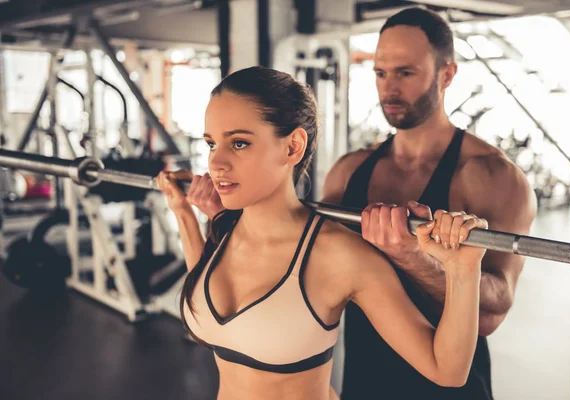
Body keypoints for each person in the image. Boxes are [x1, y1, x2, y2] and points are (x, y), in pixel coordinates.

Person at [156, 65, 489, 400]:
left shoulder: (339, 255)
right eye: (212, 144)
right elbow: (201, 291)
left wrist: (463, 270)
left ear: (292, 147)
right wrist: (183, 213)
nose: (216, 163)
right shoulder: (224, 229)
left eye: (239, 143)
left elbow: (447, 370)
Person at [320, 7, 538, 400]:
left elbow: (494, 308)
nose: (389, 88)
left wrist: (412, 257)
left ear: (447, 75)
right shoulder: (347, 172)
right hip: (363, 383)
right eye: (380, 73)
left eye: (405, 73)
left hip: (451, 387)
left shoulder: (492, 176)